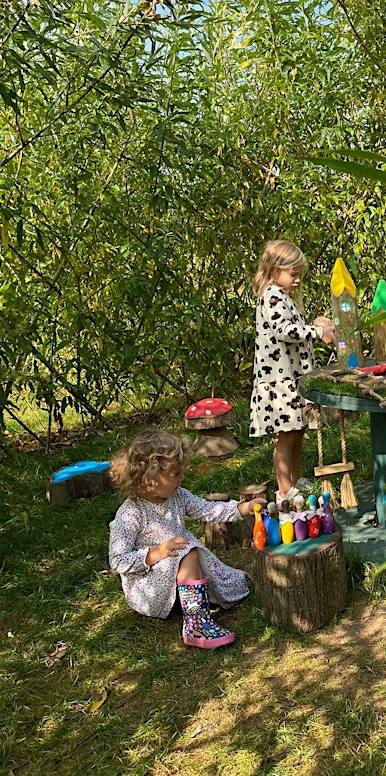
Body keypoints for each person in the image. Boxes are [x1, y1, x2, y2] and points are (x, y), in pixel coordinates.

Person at [109, 429, 264, 649]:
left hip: (177, 572)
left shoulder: (177, 495)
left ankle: (194, 605)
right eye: (175, 474)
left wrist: (241, 508)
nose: (182, 478)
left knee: (194, 555)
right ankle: (196, 624)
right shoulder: (131, 513)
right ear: (150, 478)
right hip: (149, 587)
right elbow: (117, 561)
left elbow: (206, 510)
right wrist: (155, 553)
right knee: (188, 550)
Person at [249, 239, 335, 502]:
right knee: (286, 437)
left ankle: (294, 483)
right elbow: (285, 331)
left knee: (297, 431)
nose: (298, 280)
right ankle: (284, 491)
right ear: (275, 270)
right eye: (293, 274)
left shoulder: (283, 297)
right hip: (279, 382)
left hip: (291, 379)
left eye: (300, 274)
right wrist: (318, 332)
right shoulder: (271, 295)